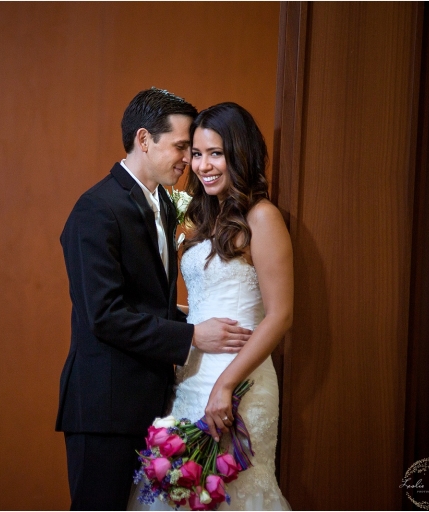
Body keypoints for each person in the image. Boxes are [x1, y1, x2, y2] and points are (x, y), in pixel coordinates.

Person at [57, 89, 254, 511]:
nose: (189, 160)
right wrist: (192, 335)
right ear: (145, 139)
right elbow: (105, 315)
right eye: (182, 146)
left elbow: (145, 298)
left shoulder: (166, 204)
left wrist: (191, 313)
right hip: (105, 408)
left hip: (154, 402)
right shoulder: (96, 209)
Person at [128, 102, 292, 510]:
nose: (202, 166)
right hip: (192, 374)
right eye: (196, 154)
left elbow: (280, 314)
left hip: (239, 378)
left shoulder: (263, 217)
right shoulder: (205, 217)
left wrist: (226, 384)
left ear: (239, 153)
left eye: (215, 153)